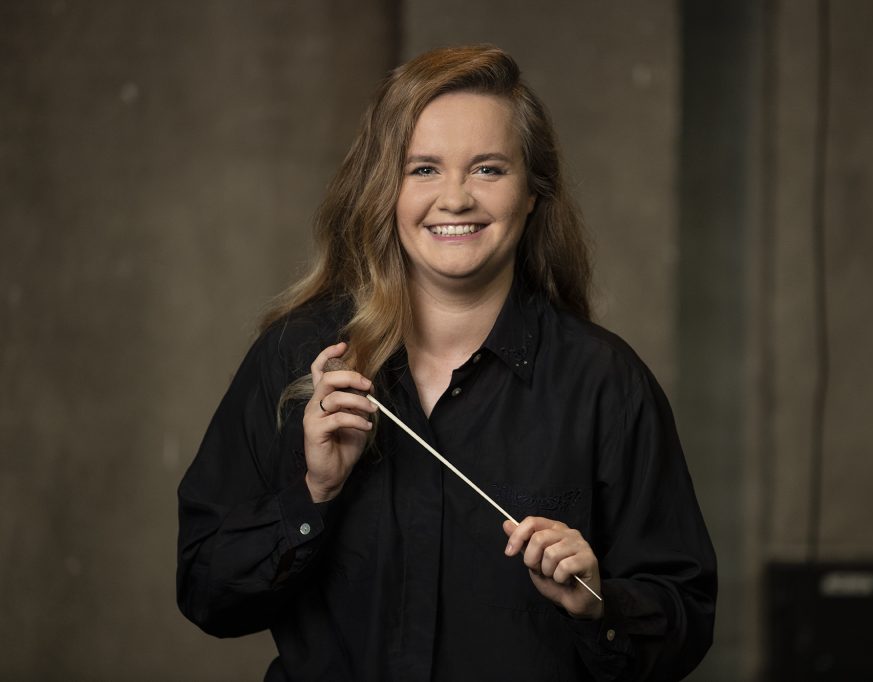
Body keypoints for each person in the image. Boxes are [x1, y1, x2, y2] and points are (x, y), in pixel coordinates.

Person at [177, 45, 716, 681]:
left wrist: (597, 602)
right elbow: (206, 592)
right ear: (385, 189)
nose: (455, 199)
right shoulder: (297, 357)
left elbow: (685, 618)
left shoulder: (605, 383)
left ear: (533, 192)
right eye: (424, 169)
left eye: (488, 169)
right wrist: (312, 494)